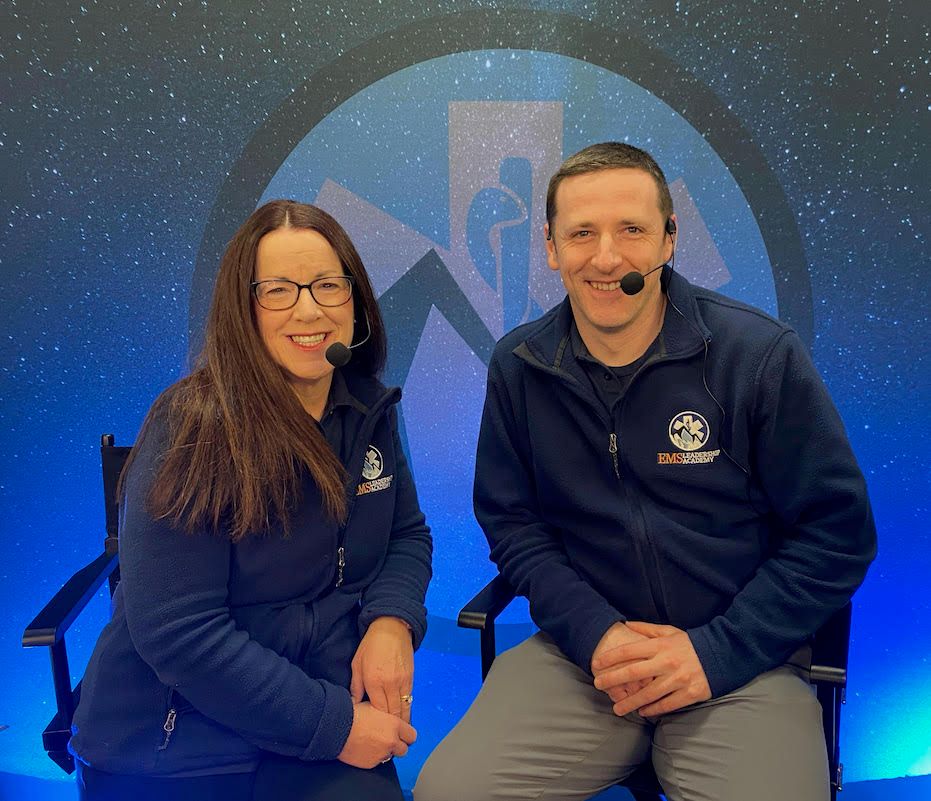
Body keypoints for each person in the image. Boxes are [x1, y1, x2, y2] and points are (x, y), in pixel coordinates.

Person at [415, 143, 876, 801]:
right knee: (450, 790)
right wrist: (594, 633)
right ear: (551, 247)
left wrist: (713, 652)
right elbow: (514, 527)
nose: (606, 258)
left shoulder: (757, 356)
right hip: (584, 662)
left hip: (741, 663)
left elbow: (836, 535)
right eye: (582, 233)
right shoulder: (519, 368)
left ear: (669, 238)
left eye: (631, 229)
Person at [70, 200, 433, 801]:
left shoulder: (369, 409)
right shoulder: (190, 428)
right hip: (179, 743)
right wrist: (335, 727)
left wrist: (391, 621)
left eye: (327, 285)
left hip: (314, 705)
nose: (309, 310)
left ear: (356, 300)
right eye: (278, 291)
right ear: (244, 309)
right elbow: (180, 633)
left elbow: (406, 534)